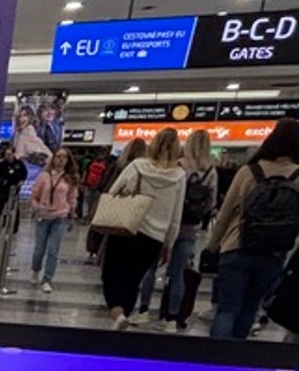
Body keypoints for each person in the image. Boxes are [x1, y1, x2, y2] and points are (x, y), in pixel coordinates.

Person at [204, 118, 299, 339]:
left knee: (227, 308)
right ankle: (237, 361)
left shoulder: (249, 171)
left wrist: (211, 246)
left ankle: (215, 359)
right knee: (249, 309)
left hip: (237, 246)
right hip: (273, 252)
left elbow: (226, 213)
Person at [102, 128, 186, 330]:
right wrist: (168, 244)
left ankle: (118, 313)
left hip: (126, 229)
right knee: (132, 280)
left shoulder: (137, 166)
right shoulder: (179, 176)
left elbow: (113, 192)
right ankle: (124, 315)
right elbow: (176, 215)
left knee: (112, 275)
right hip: (154, 238)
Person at [151, 129, 217, 332]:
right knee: (179, 273)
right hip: (190, 227)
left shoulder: (179, 166)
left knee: (153, 268)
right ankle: (172, 317)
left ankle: (146, 309)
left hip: (167, 224)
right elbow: (211, 203)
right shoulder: (211, 171)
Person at [87, 139, 148, 263]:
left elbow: (106, 183)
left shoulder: (119, 165)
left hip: (114, 203)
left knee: (109, 234)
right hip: (134, 209)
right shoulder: (145, 169)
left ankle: (102, 257)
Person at [29, 148, 80, 295]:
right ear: (54, 158)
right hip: (43, 216)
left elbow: (72, 198)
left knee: (53, 250)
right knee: (39, 249)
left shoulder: (70, 178)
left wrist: (72, 215)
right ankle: (35, 270)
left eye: (64, 157)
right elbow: (34, 195)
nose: (61, 159)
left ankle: (47, 279)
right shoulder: (44, 176)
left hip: (60, 217)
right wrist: (36, 207)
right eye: (58, 156)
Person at [0, 146, 28, 234]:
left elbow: (24, 174)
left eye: (10, 154)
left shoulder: (19, 164)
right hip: (2, 191)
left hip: (14, 190)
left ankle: (14, 228)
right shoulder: (1, 165)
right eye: (6, 154)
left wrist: (21, 181)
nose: (8, 156)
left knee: (14, 209)